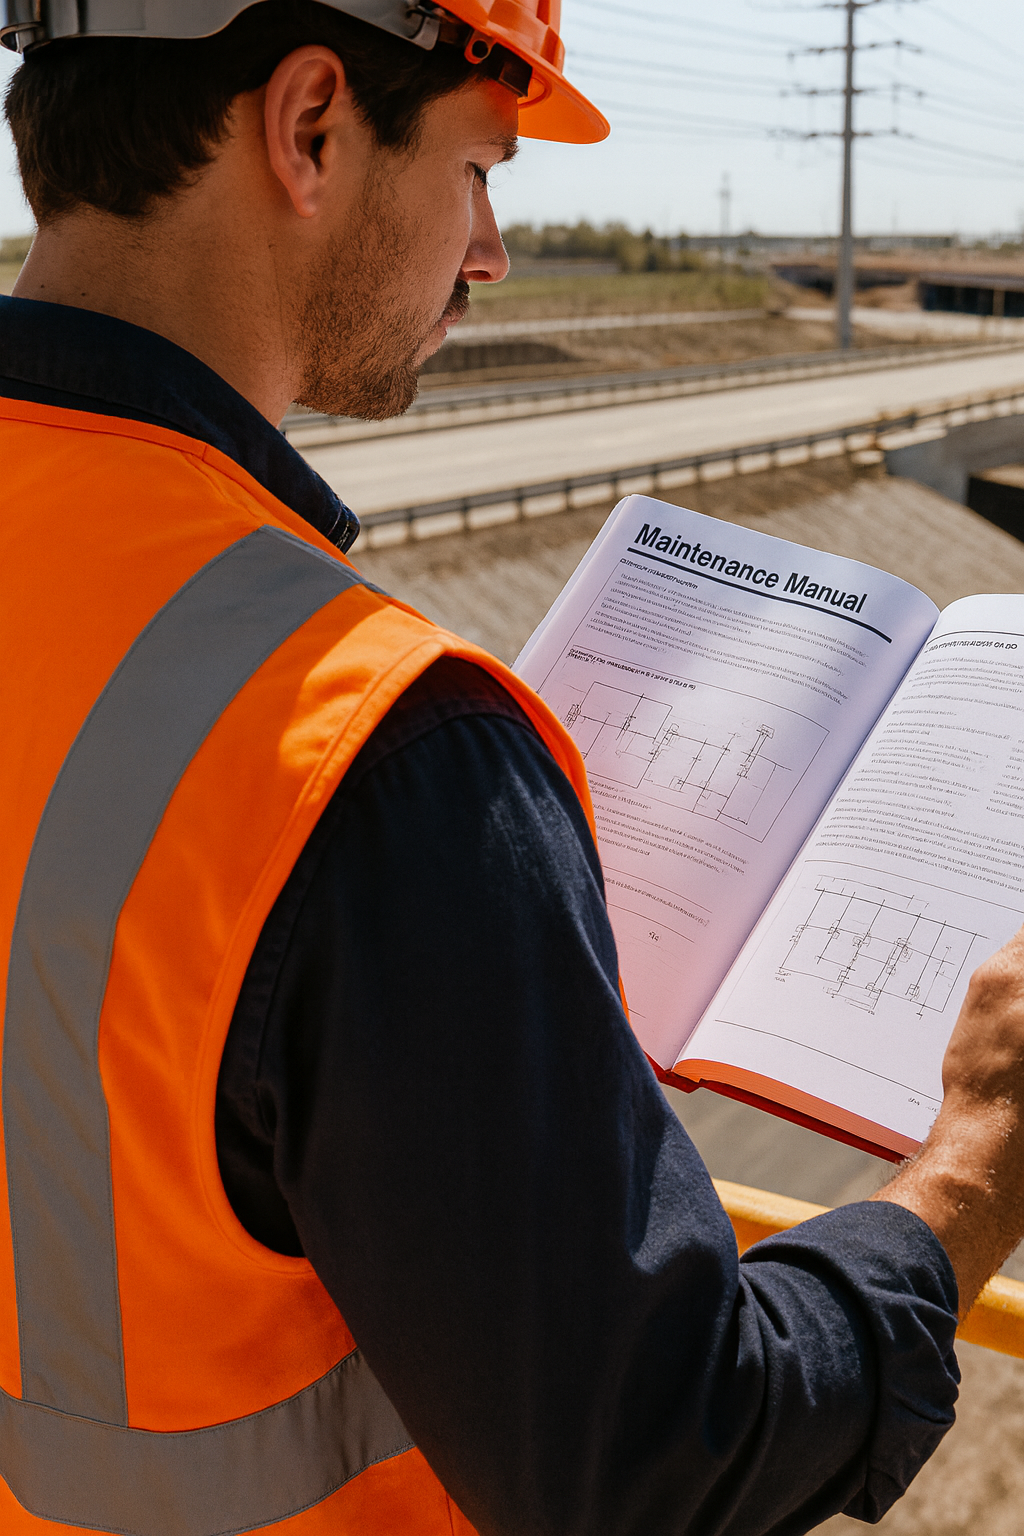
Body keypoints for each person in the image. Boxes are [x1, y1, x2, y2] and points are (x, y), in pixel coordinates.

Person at [2, 3, 1024, 1533]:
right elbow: (659, 1456)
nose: (488, 250)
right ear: (312, 127)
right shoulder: (369, 747)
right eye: (481, 166)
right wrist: (974, 1156)